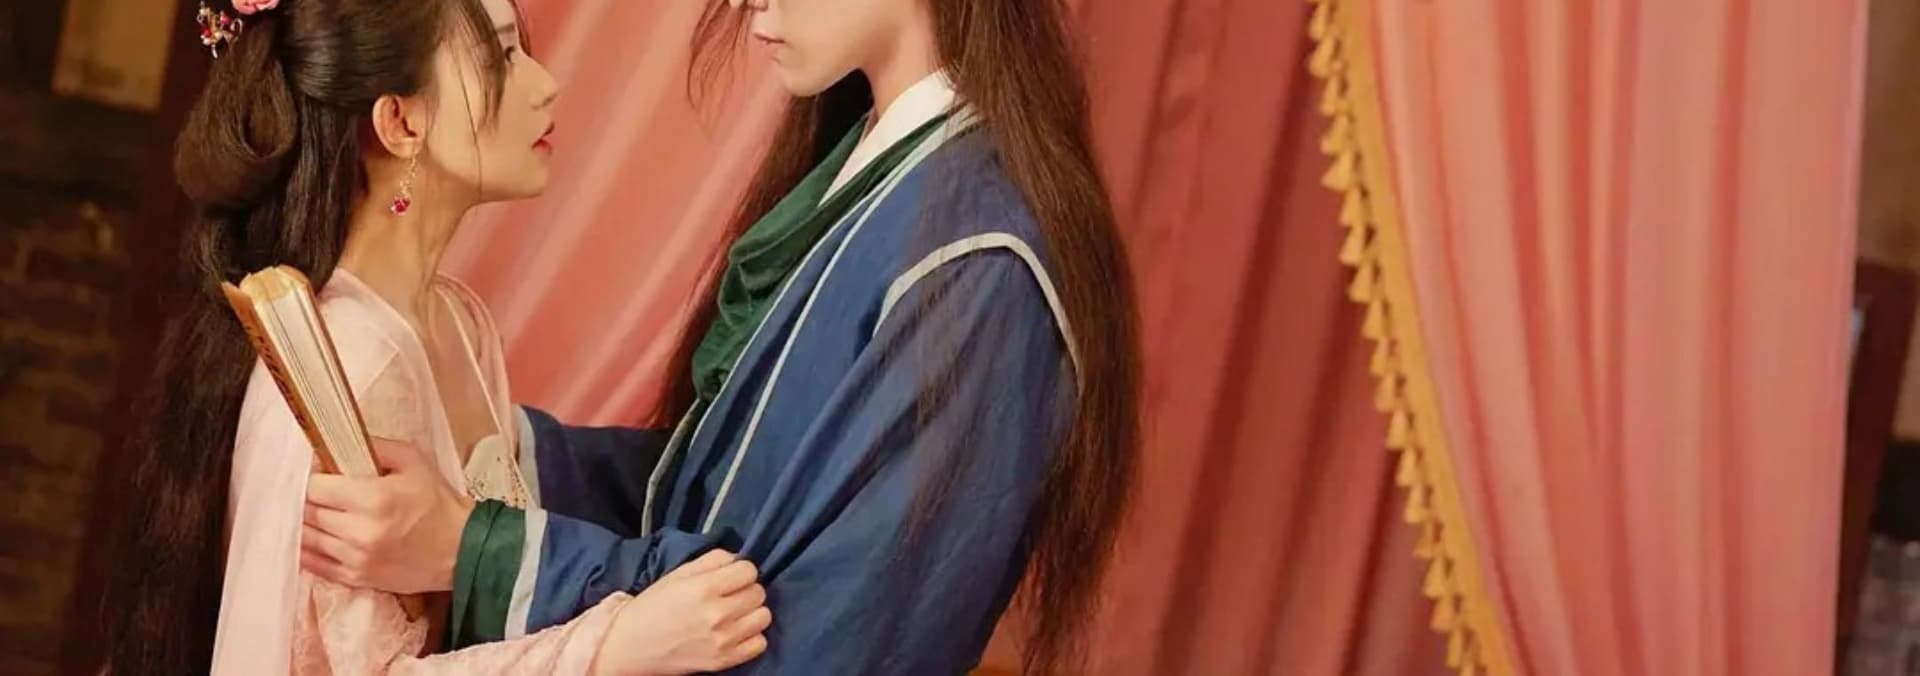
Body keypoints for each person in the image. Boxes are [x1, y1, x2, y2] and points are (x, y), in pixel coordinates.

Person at [299, 0, 1142, 672]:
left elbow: (820, 639)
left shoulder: (976, 262)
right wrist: (490, 453)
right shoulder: (876, 171)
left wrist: (481, 549)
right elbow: (719, 491)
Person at [94, 0, 770, 673]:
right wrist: (613, 648)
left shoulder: (457, 322)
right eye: (501, 57)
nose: (544, 85)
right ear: (401, 122)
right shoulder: (358, 361)